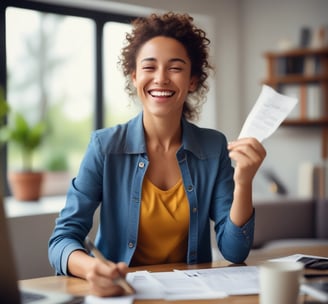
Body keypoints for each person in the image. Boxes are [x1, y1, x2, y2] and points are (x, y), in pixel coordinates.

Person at [48, 12, 266, 297]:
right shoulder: (104, 147)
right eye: (149, 67)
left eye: (175, 68)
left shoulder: (213, 147)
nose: (161, 78)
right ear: (135, 76)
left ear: (192, 80)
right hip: (121, 295)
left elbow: (235, 251)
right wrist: (92, 269)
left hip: (192, 297)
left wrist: (244, 181)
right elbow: (62, 240)